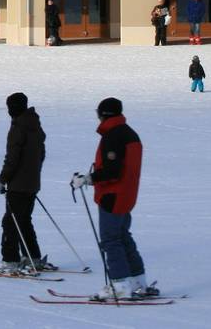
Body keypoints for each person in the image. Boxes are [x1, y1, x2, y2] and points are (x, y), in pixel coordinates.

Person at [71, 97, 158, 300]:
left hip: (113, 195)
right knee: (123, 237)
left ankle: (119, 285)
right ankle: (139, 282)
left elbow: (112, 171)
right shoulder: (129, 133)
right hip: (127, 194)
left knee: (111, 240)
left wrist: (87, 179)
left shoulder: (113, 135)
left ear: (104, 114)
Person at [0, 92, 48, 272]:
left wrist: (2, 180)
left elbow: (12, 158)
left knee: (10, 222)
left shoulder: (18, 127)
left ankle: (10, 260)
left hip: (18, 184)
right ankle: (32, 256)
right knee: (24, 220)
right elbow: (41, 155)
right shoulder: (35, 125)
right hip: (32, 182)